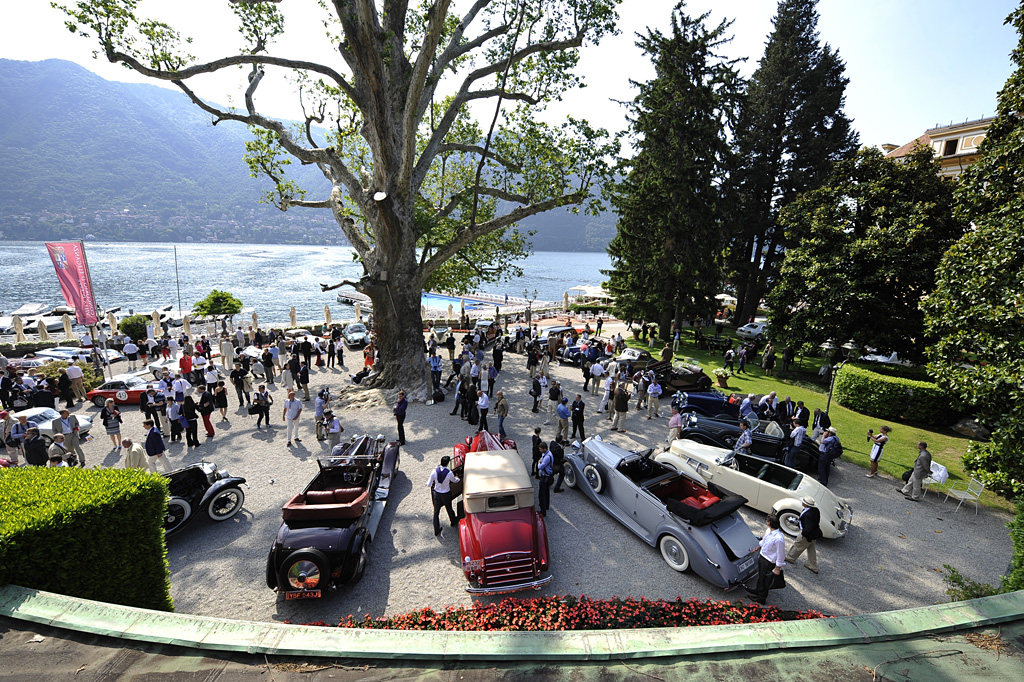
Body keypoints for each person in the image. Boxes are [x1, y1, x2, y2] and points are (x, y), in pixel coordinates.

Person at [746, 514, 786, 605]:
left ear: (769, 523)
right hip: (763, 557)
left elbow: (781, 554)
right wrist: (757, 548)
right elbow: (763, 541)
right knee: (761, 576)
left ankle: (761, 598)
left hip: (768, 561)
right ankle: (757, 590)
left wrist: (778, 568)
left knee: (764, 580)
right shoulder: (769, 531)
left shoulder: (779, 539)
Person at [785, 496, 823, 574]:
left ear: (806, 505)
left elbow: (808, 528)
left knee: (798, 545)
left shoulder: (808, 515)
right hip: (815, 533)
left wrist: (803, 534)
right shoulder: (815, 510)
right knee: (811, 549)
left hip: (807, 534)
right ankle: (813, 566)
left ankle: (790, 558)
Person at [426, 455, 459, 537]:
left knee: (436, 512)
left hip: (437, 494)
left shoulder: (434, 471)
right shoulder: (449, 473)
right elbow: (455, 481)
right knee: (449, 508)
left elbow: (429, 484)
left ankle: (436, 529)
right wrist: (458, 478)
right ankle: (453, 521)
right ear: (447, 463)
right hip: (446, 494)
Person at [537, 442, 554, 516]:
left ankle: (543, 511)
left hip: (544, 477)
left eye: (541, 449)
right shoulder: (548, 454)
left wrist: (539, 462)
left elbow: (539, 467)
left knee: (541, 494)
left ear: (545, 449)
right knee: (547, 492)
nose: (540, 450)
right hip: (548, 476)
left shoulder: (547, 457)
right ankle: (546, 505)